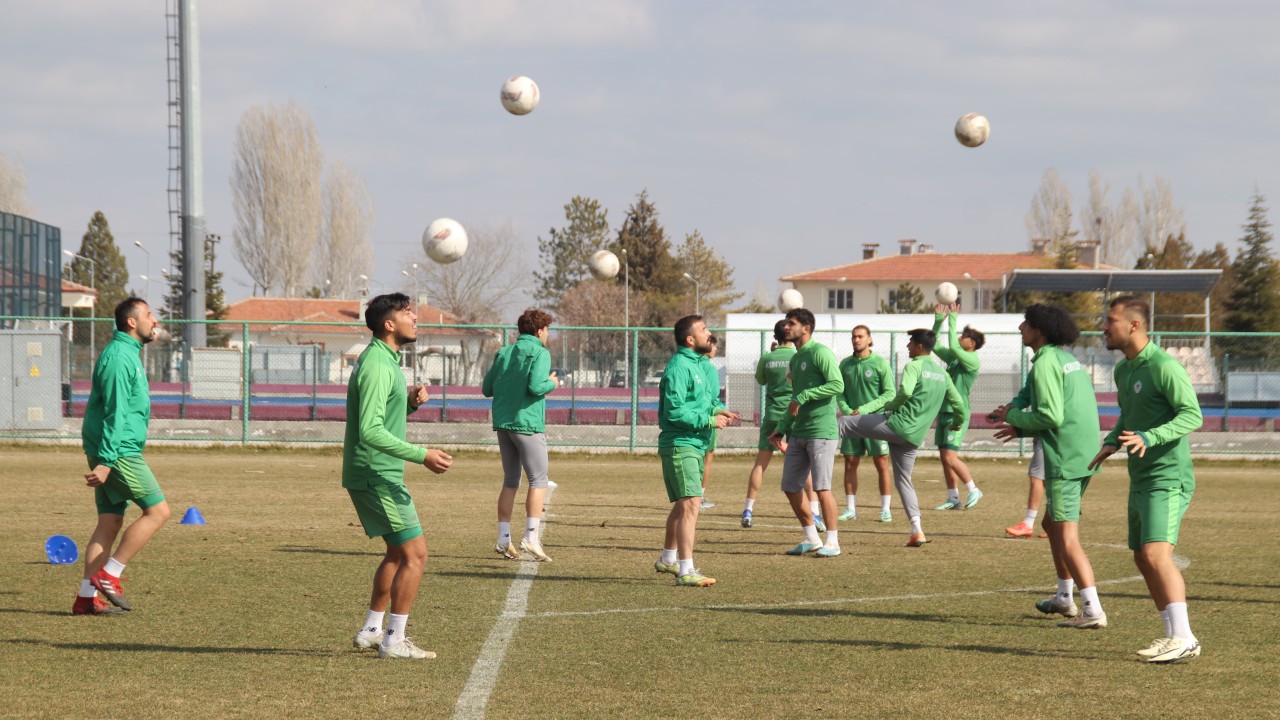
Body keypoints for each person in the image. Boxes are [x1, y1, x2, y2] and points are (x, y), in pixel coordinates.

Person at [1088, 296, 1203, 663]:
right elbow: (1129, 416)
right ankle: (1172, 634)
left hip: (1167, 478)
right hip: (1140, 478)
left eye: (1110, 320)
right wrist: (1111, 442)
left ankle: (1185, 637)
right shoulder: (1124, 371)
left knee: (1156, 554)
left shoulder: (1164, 366)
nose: (1104, 327)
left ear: (1133, 325)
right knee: (1141, 557)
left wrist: (1150, 437)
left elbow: (1192, 415)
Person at [345, 293, 454, 660]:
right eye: (407, 313)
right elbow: (369, 431)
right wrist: (422, 455)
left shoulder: (384, 360)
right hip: (376, 474)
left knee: (396, 552)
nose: (415, 317)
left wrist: (407, 403)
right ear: (388, 324)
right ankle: (394, 641)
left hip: (375, 472)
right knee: (416, 555)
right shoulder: (378, 363)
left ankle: (372, 630)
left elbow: (379, 417)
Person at [991, 304, 1107, 629]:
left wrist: (1014, 419)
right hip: (1084, 455)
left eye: (1026, 323)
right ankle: (1064, 598)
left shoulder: (1045, 364)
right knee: (1051, 522)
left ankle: (1093, 609)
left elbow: (1052, 416)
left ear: (1039, 330)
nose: (1020, 328)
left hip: (1065, 460)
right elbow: (1032, 396)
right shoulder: (1064, 360)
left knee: (1067, 535)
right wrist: (1014, 410)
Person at [75, 297, 171, 615]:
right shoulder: (119, 356)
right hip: (118, 452)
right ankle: (110, 574)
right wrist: (105, 460)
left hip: (111, 449)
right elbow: (115, 414)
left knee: (110, 520)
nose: (154, 320)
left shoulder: (128, 353)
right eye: (148, 314)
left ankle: (86, 598)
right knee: (158, 512)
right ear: (132, 322)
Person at [835, 329, 964, 547]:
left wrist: (890, 406)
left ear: (919, 347)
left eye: (910, 343)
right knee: (903, 481)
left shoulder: (913, 366)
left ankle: (808, 455)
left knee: (843, 423)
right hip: (914, 438)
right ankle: (917, 530)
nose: (907, 347)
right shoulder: (943, 375)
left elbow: (903, 391)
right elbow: (959, 404)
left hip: (896, 425)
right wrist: (958, 422)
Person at [655, 315, 738, 587]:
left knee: (684, 504)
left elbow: (701, 403)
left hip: (695, 443)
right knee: (692, 504)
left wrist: (717, 410)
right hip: (681, 444)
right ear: (690, 340)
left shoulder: (699, 365)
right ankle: (686, 570)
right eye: (703, 329)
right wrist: (709, 420)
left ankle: (668, 559)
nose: (709, 333)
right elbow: (675, 411)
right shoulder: (679, 366)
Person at [481, 308, 558, 563]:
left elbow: (487, 388)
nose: (548, 334)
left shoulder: (503, 352)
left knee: (511, 481)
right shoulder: (540, 352)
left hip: (503, 424)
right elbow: (536, 386)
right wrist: (553, 383)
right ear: (539, 331)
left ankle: (504, 539)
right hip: (527, 424)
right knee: (539, 481)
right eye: (547, 330)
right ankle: (531, 538)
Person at [767, 308, 844, 558]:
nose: (786, 327)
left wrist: (806, 395)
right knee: (790, 487)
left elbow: (837, 384)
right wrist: (782, 427)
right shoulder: (795, 358)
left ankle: (833, 542)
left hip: (821, 432)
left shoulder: (820, 353)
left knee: (822, 488)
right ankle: (812, 538)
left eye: (791, 323)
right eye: (787, 323)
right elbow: (794, 399)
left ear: (806, 328)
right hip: (797, 433)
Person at [837, 325, 895, 523]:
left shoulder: (880, 363)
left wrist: (864, 410)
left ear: (869, 339)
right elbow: (839, 391)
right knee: (850, 463)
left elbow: (889, 393)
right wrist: (846, 410)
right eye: (853, 336)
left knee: (882, 463)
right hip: (852, 423)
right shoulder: (845, 364)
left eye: (860, 336)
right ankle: (850, 509)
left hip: (875, 421)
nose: (856, 340)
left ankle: (885, 509)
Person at [930, 304, 984, 510]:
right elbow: (933, 345)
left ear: (972, 343)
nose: (960, 337)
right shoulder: (955, 358)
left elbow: (953, 345)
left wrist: (953, 318)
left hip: (957, 414)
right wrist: (938, 321)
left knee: (951, 457)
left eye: (964, 336)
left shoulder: (971, 360)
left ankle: (973, 489)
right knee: (945, 457)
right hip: (944, 411)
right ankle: (953, 498)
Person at [741, 323, 793, 528]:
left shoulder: (767, 358)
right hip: (794, 414)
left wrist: (772, 356)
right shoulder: (798, 357)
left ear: (775, 337)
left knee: (761, 463)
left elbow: (761, 380)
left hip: (772, 414)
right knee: (802, 463)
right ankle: (815, 512)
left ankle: (748, 510)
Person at [698, 335, 722, 510]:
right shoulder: (710, 368)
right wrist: (723, 411)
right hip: (708, 418)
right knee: (707, 457)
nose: (716, 349)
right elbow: (713, 398)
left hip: (693, 418)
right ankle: (699, 497)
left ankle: (692, 496)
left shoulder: (692, 364)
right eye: (713, 345)